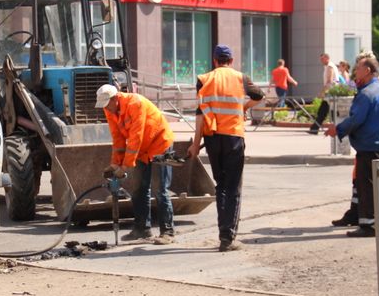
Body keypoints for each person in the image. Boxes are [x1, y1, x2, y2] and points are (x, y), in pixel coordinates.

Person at [187, 44, 264, 251]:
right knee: (233, 187)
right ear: (231, 60)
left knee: (220, 185)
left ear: (214, 60)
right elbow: (260, 96)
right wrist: (244, 108)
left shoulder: (203, 79)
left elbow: (199, 114)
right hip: (233, 138)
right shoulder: (241, 78)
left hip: (212, 138)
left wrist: (195, 145)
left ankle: (223, 233)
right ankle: (227, 237)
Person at [331, 51, 379, 227]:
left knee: (368, 184)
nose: (355, 72)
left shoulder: (368, 92)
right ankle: (359, 215)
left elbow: (357, 118)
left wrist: (338, 129)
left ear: (368, 70)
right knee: (366, 182)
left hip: (370, 144)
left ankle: (369, 223)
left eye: (358, 68)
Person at [96, 84, 176, 244]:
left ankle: (167, 232)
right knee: (140, 187)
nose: (106, 109)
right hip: (142, 148)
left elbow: (135, 137)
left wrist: (124, 166)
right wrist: (114, 164)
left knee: (160, 189)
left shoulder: (135, 103)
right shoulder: (109, 109)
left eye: (107, 104)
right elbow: (118, 139)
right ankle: (142, 229)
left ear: (115, 98)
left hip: (159, 143)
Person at [308, 53, 340, 134]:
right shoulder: (329, 66)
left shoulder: (330, 67)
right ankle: (314, 128)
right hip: (331, 92)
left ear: (327, 58)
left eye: (322, 59)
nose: (321, 61)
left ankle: (315, 129)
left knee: (327, 111)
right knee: (324, 111)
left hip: (331, 92)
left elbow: (329, 81)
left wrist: (322, 92)